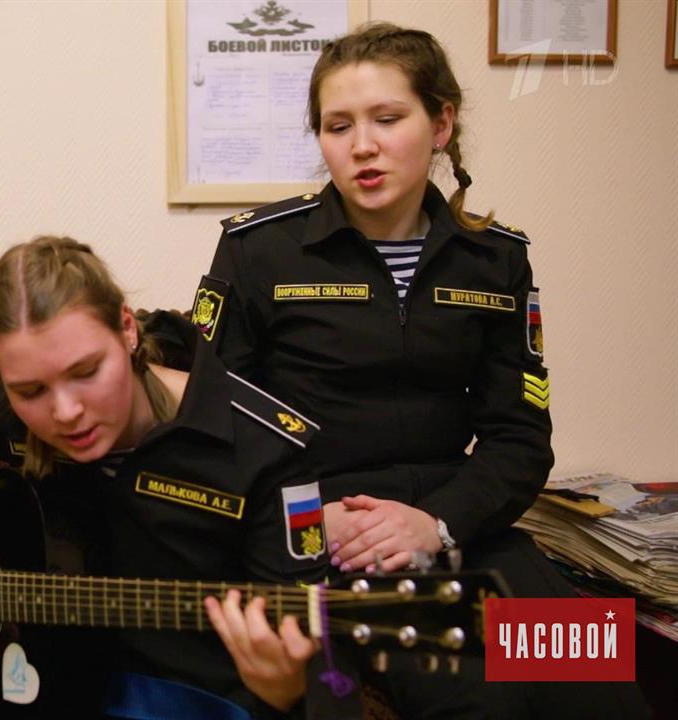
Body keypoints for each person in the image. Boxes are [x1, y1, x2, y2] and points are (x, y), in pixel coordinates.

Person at [193, 23, 648, 718]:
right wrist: (308, 522)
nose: (362, 145)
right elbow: (208, 432)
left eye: (387, 118)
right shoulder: (259, 251)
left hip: (461, 531)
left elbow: (520, 439)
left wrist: (436, 524)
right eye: (338, 126)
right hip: (331, 545)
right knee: (484, 701)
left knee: (604, 689)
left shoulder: (495, 258)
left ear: (440, 124)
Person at [0, 236, 340, 719]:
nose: (65, 412)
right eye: (30, 391)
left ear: (128, 329)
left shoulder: (265, 449)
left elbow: (327, 679)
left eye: (86, 373)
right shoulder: (5, 407)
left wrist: (285, 691)